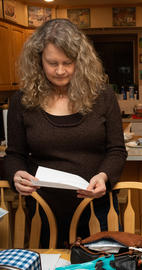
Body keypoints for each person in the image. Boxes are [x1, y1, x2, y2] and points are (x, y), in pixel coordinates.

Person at [4, 18, 128, 248]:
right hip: (43, 209)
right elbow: (14, 155)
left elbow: (116, 151)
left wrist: (103, 177)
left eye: (68, 63)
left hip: (95, 206)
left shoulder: (102, 96)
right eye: (52, 63)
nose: (60, 71)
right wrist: (16, 174)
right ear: (38, 60)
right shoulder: (22, 101)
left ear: (80, 61)